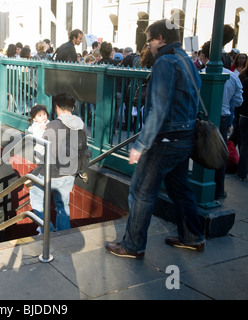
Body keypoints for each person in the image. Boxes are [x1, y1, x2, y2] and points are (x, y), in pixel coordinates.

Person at [106, 19, 206, 260]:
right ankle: (193, 238)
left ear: (161, 38)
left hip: (164, 140)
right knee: (180, 188)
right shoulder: (186, 60)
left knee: (141, 192)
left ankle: (132, 246)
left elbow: (158, 108)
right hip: (185, 137)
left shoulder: (165, 62)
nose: (148, 44)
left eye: (150, 39)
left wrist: (141, 144)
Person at [29, 93, 87, 232]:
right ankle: (64, 235)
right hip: (72, 172)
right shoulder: (81, 124)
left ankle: (47, 229)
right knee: (62, 205)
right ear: (72, 108)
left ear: (57, 108)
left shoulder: (53, 125)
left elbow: (44, 152)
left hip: (52, 172)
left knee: (36, 197)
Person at [200, 41, 243, 200]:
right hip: (223, 117)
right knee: (220, 152)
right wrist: (227, 106)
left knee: (201, 149)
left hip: (203, 117)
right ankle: (218, 189)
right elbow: (238, 101)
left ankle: (203, 184)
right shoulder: (232, 77)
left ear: (205, 56)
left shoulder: (200, 73)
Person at [237, 67, 248, 181]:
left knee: (244, 144)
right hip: (244, 115)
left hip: (244, 116)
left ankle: (242, 173)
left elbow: (241, 100)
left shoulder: (245, 80)